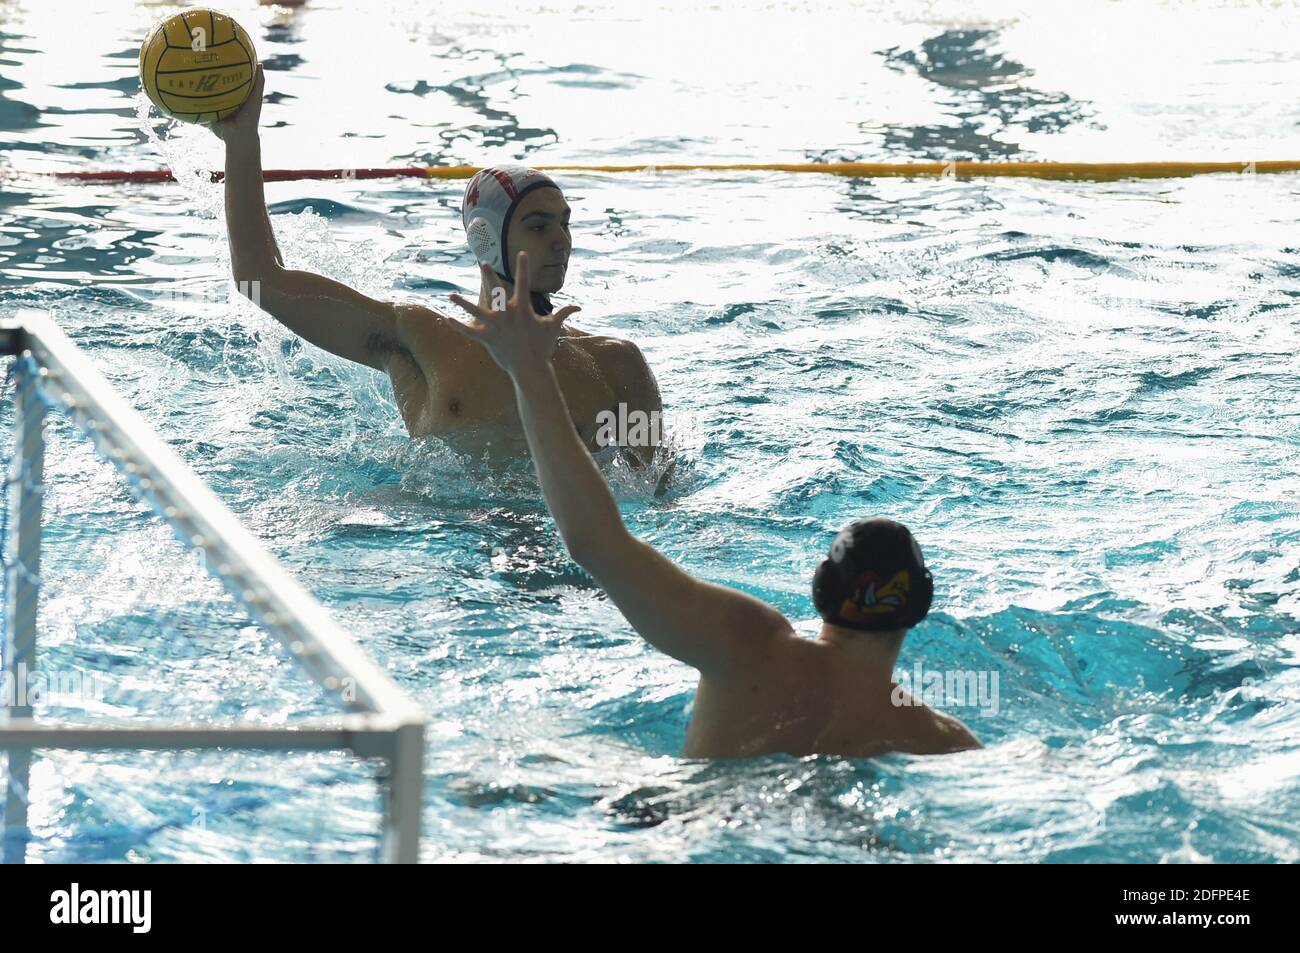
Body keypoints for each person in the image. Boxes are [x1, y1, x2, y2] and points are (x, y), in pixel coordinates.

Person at [447, 252, 983, 758]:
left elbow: (594, 541)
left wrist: (529, 372)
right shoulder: (940, 741)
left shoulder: (750, 645)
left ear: (822, 588)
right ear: (922, 602)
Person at [211, 65, 663, 469]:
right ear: (486, 238)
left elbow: (660, 493)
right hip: (448, 537)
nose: (563, 240)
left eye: (565, 224)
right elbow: (257, 280)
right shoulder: (421, 339)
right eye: (539, 226)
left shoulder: (616, 363)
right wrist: (242, 138)